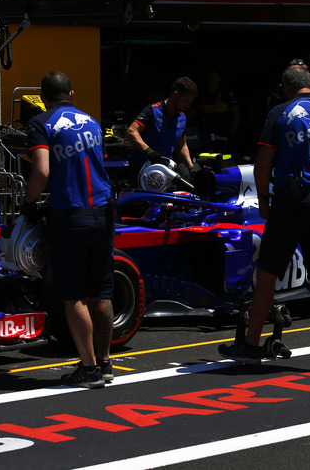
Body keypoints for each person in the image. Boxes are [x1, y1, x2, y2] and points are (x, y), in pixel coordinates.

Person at [219, 65, 310, 373]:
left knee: (268, 273)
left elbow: (261, 166)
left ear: (286, 88)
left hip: (291, 201)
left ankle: (251, 345)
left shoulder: (282, 113)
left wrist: (265, 202)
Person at [23, 71, 115, 389]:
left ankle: (88, 369)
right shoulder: (92, 121)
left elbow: (42, 169)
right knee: (101, 292)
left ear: (42, 97)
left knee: (73, 295)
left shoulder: (40, 123)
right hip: (103, 212)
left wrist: (29, 202)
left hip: (70, 215)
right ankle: (104, 363)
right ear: (71, 94)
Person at [125, 77, 198, 181]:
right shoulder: (152, 111)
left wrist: (191, 168)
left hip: (166, 170)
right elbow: (131, 132)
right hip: (143, 168)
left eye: (190, 102)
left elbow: (181, 145)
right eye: (186, 101)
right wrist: (149, 152)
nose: (188, 106)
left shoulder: (182, 117)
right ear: (175, 95)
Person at [191, 69, 241, 156]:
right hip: (205, 137)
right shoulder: (201, 96)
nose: (210, 79)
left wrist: (232, 134)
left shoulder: (226, 95)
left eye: (213, 77)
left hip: (223, 135)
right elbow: (192, 113)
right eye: (209, 77)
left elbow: (236, 114)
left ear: (219, 79)